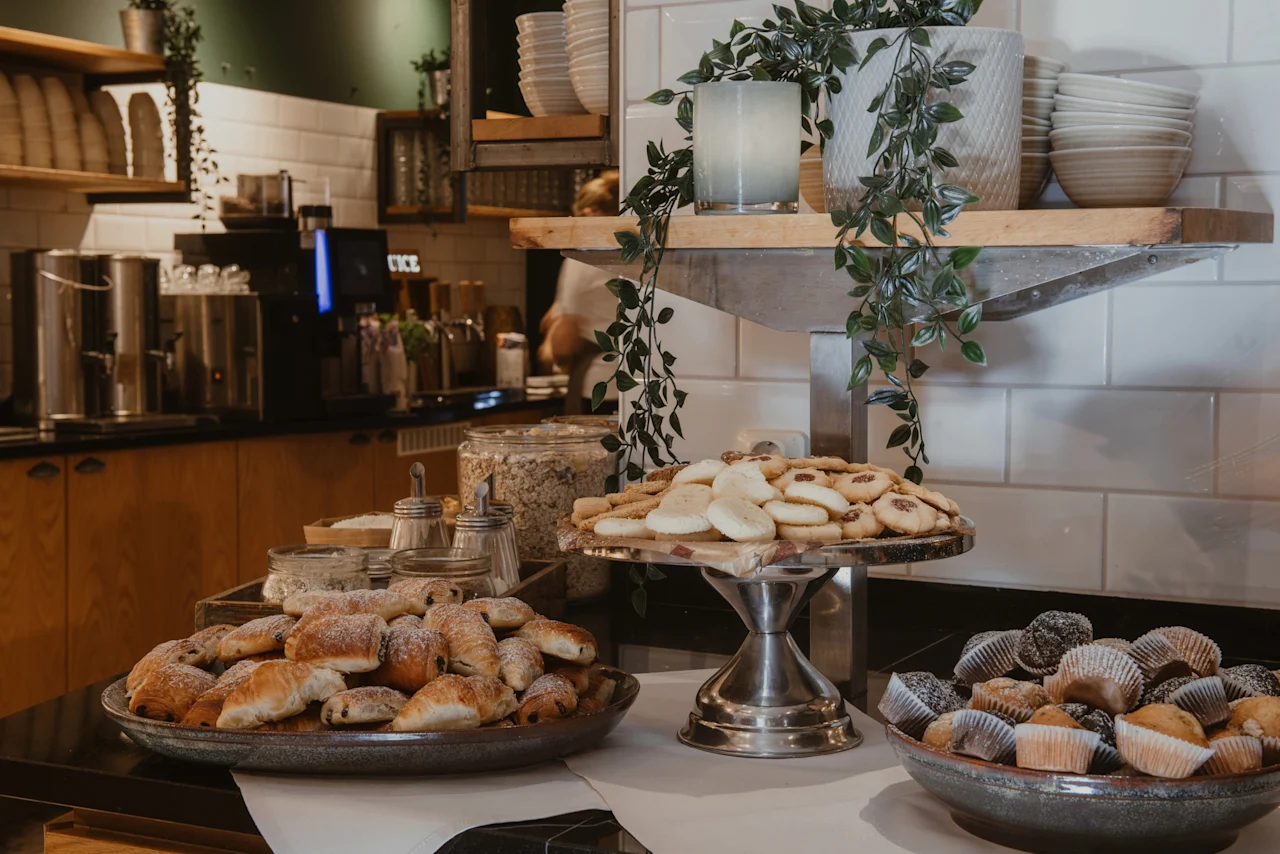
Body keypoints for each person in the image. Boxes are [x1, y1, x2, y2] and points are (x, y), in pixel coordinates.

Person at [539, 170, 621, 413]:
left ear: (588, 214)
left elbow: (564, 345)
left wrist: (547, 346)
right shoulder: (640, 252)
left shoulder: (583, 259)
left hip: (597, 387)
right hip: (637, 383)